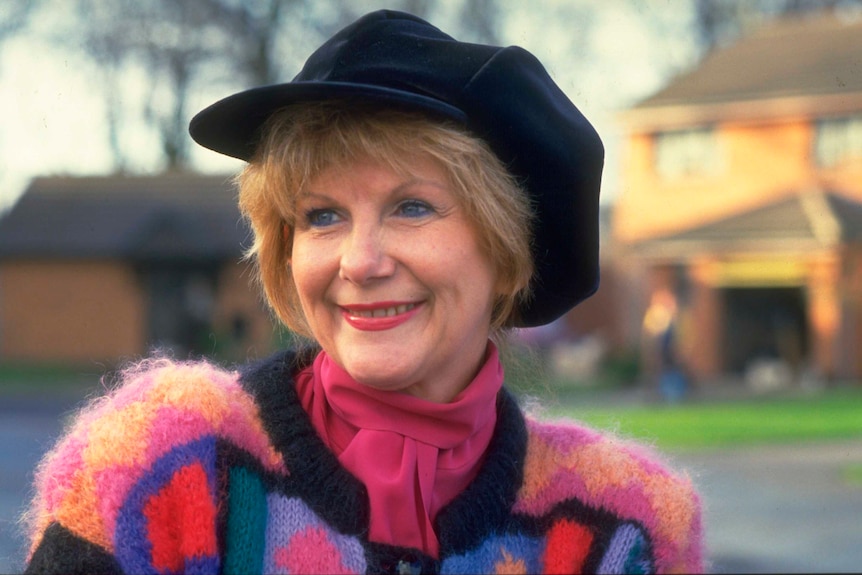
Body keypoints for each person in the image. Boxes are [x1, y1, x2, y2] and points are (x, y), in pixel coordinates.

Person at [23, 10, 703, 574]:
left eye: (411, 207)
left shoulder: (620, 525)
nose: (360, 260)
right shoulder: (161, 465)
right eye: (322, 215)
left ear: (506, 248)